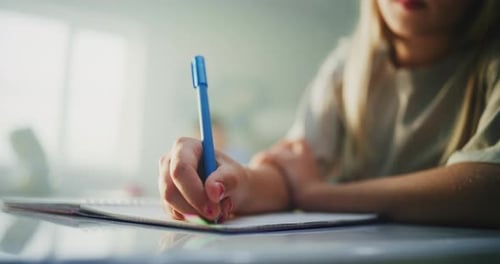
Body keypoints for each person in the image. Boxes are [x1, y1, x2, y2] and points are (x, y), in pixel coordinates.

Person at [158, 0, 500, 227]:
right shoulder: (347, 67)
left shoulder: (490, 61)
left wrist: (319, 195)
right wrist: (235, 183)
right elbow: (289, 173)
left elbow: (487, 187)